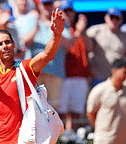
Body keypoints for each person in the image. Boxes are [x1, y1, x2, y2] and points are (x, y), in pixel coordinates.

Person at [0, 6, 65, 143]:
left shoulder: (25, 68)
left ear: (14, 45)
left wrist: (56, 34)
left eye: (8, 42)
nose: (5, 46)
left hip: (21, 139)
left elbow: (47, 55)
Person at [18, 0, 77, 109]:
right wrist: (35, 27)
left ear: (53, 6)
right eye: (45, 4)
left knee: (53, 109)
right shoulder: (32, 19)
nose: (47, 7)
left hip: (55, 71)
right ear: (39, 6)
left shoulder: (61, 20)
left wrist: (57, 31)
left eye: (49, 4)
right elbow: (24, 43)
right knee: (32, 107)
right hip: (33, 72)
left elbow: (69, 45)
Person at [56, 0, 93, 139]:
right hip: (65, 74)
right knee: (62, 110)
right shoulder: (61, 28)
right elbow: (68, 47)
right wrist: (78, 31)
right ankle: (61, 137)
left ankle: (72, 137)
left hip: (81, 75)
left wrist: (82, 31)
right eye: (65, 11)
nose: (68, 14)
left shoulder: (79, 29)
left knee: (77, 110)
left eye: (70, 11)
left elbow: (89, 47)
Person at [86, 59, 126, 144]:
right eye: (124, 72)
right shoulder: (100, 90)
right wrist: (100, 130)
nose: (125, 76)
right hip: (104, 139)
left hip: (122, 140)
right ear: (114, 71)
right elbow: (90, 113)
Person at [86, 7, 126, 88]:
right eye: (112, 17)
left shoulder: (124, 36)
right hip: (98, 77)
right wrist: (89, 66)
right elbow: (84, 48)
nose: (114, 20)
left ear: (121, 20)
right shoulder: (95, 30)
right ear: (106, 17)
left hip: (117, 79)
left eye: (117, 18)